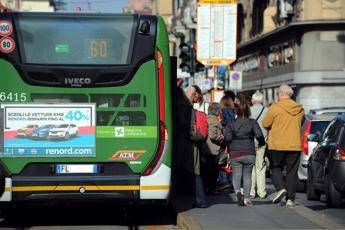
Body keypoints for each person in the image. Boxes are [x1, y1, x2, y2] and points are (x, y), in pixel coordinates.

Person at [262, 84, 304, 207]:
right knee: (292, 172)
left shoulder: (275, 107)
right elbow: (301, 122)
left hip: (277, 144)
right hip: (294, 144)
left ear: (280, 94)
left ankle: (280, 188)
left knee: (275, 167)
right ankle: (290, 199)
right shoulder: (300, 109)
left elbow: (265, 123)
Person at [225, 103, 265, 206]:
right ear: (248, 111)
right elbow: (259, 135)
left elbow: (228, 138)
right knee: (247, 176)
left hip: (235, 153)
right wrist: (262, 143)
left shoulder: (231, 123)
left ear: (237, 111)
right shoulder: (252, 122)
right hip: (249, 152)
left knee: (236, 175)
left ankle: (238, 192)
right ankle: (247, 198)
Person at [184, 85, 208, 208]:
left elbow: (189, 129)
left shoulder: (189, 109)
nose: (186, 91)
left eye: (188, 90)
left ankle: (201, 200)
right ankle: (199, 199)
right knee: (194, 172)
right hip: (193, 144)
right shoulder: (191, 108)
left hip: (191, 144)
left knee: (195, 172)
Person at [250, 91, 268, 199]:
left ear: (252, 100)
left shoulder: (248, 111)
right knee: (261, 167)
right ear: (262, 101)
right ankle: (262, 192)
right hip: (262, 142)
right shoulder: (267, 111)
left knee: (251, 167)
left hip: (249, 143)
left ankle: (252, 191)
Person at [203, 103, 226, 194]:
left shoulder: (207, 118)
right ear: (217, 111)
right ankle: (211, 189)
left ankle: (208, 188)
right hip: (213, 149)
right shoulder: (214, 121)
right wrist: (222, 137)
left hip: (207, 148)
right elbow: (213, 135)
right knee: (213, 171)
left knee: (208, 170)